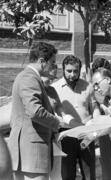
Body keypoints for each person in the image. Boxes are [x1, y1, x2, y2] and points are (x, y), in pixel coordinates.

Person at [8, 42, 66, 180]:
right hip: (32, 151)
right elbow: (35, 111)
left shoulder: (27, 77)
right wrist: (57, 122)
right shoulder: (30, 77)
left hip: (28, 151)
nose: (53, 67)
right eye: (52, 63)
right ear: (41, 61)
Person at [52, 55, 99, 180]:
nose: (72, 74)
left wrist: (96, 125)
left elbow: (94, 108)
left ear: (79, 70)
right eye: (69, 71)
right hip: (66, 135)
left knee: (89, 173)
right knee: (67, 174)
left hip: (86, 134)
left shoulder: (88, 86)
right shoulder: (54, 88)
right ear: (63, 70)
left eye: (75, 71)